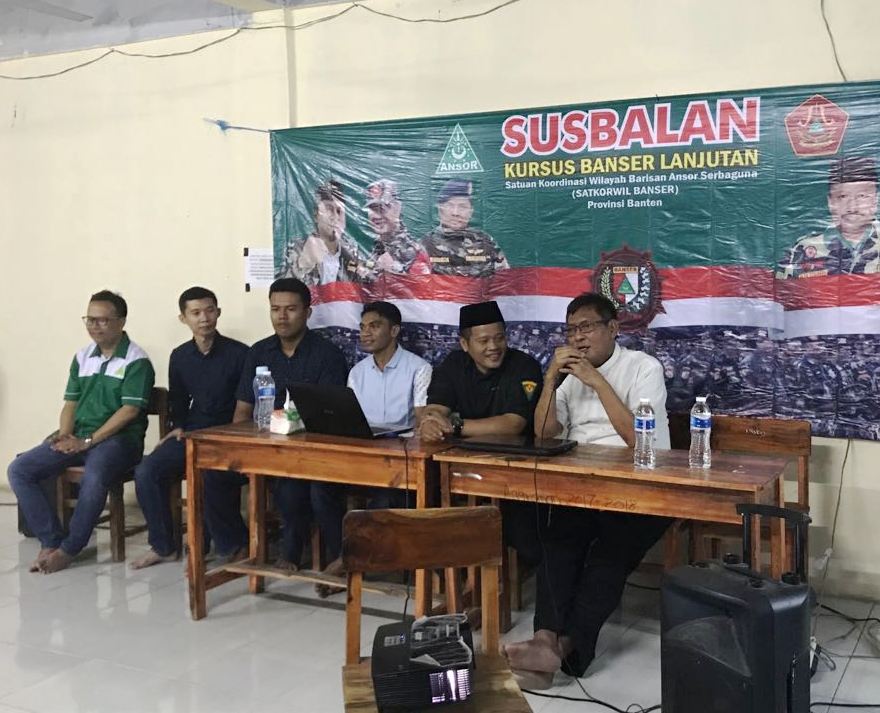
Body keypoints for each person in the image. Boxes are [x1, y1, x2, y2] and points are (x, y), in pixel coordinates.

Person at [504, 292, 670, 684]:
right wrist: (550, 381)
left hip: (644, 483)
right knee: (557, 539)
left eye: (587, 327)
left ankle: (566, 647)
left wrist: (597, 381)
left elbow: (638, 440)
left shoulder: (643, 367)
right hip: (580, 483)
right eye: (570, 330)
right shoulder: (567, 378)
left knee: (610, 552)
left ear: (613, 328)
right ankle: (545, 638)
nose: (577, 338)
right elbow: (544, 433)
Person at [8, 290, 155, 574]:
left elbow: (129, 411)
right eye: (90, 319)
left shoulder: (137, 361)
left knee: (95, 475)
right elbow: (70, 404)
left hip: (119, 441)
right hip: (79, 436)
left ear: (121, 322)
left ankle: (69, 548)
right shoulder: (82, 356)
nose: (94, 326)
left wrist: (87, 442)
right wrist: (66, 435)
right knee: (20, 469)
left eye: (103, 320)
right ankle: (50, 540)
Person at [232, 278, 349, 576]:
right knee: (217, 476)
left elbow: (330, 418)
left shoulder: (327, 355)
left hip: (314, 450)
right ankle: (238, 547)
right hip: (268, 447)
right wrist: (243, 447)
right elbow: (243, 409)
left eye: (291, 309)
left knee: (303, 487)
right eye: (275, 309)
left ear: (308, 312)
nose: (282, 317)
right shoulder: (259, 352)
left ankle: (330, 555)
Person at [130, 287, 249, 569]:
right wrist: (178, 426)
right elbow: (179, 400)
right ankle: (163, 546)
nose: (204, 318)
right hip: (192, 433)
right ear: (183, 318)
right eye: (196, 313)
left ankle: (230, 545)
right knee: (147, 470)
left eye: (209, 311)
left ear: (218, 313)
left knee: (209, 473)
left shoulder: (240, 353)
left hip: (228, 434)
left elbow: (246, 403)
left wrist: (233, 435)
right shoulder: (180, 356)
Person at [417, 300, 543, 560]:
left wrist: (455, 426)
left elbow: (514, 424)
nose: (493, 347)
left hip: (515, 468)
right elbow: (437, 407)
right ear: (465, 344)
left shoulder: (523, 365)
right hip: (463, 466)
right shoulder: (453, 364)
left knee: (524, 536)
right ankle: (449, 571)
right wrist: (430, 421)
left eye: (499, 338)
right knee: (426, 502)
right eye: (484, 341)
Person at [347, 300, 432, 508]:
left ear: (394, 331)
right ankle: (339, 532)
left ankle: (365, 530)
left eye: (374, 326)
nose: (365, 333)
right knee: (321, 488)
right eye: (362, 327)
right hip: (363, 453)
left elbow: (422, 421)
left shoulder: (419, 368)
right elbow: (349, 418)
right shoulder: (357, 373)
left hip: (401, 456)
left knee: (386, 499)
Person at [777, 156, 880, 279]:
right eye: (843, 196)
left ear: (875, 201)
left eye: (862, 196)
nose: (853, 207)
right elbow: (784, 288)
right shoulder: (804, 249)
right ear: (831, 202)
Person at [277, 180, 364, 285]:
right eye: (329, 209)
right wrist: (302, 264)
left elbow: (364, 285)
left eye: (339, 211)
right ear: (316, 215)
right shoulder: (297, 248)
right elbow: (282, 287)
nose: (335, 217)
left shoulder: (351, 250)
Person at [421, 179, 509, 277]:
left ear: (471, 211)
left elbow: (503, 280)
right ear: (440, 209)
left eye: (462, 206)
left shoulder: (486, 243)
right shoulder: (425, 245)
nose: (455, 213)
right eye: (449, 205)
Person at [357, 178, 429, 281]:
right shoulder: (377, 246)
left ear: (398, 208)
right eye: (372, 208)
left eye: (383, 208)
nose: (377, 215)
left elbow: (422, 288)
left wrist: (392, 273)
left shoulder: (412, 253)